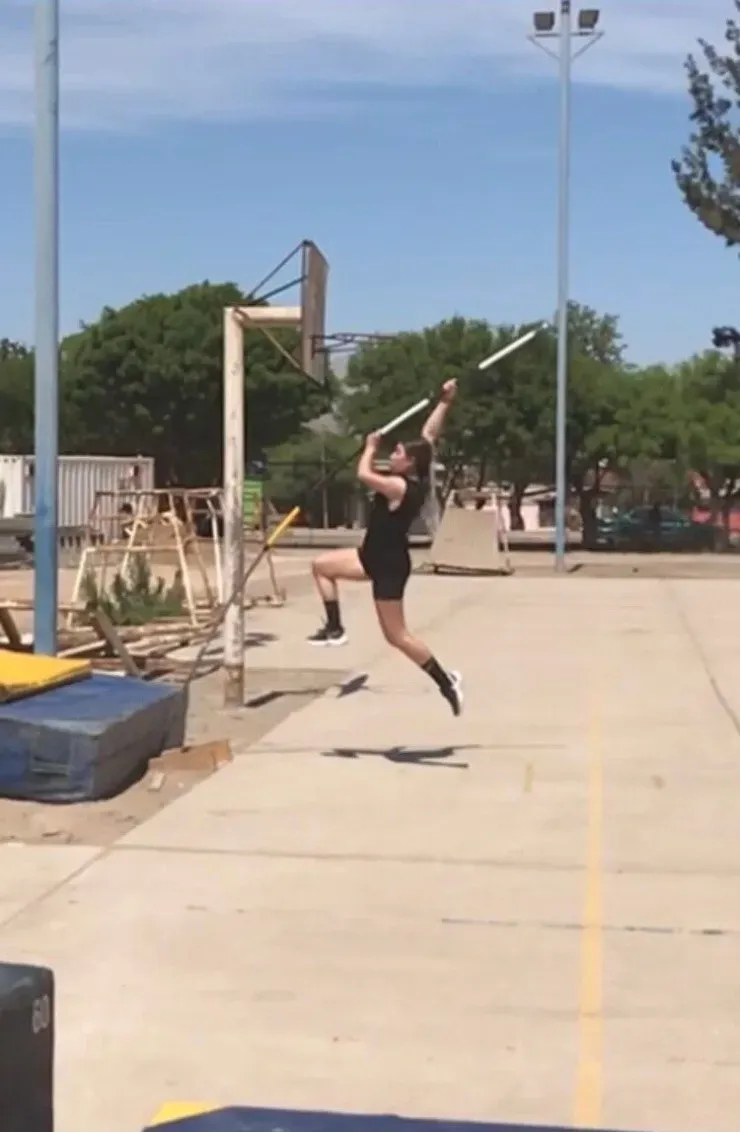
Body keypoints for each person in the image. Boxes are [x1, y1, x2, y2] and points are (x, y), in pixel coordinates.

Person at [308, 380, 463, 716]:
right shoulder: (414, 475)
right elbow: (430, 435)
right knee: (320, 566)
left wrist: (369, 446)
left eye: (397, 453)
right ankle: (335, 628)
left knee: (397, 637)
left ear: (408, 464)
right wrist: (445, 401)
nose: (392, 455)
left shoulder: (398, 486)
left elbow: (364, 474)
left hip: (389, 567)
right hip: (369, 557)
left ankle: (446, 681)